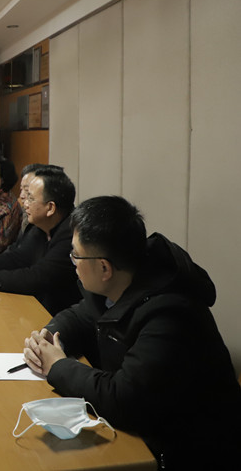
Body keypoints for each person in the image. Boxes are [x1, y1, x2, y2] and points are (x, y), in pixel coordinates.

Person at [22, 196, 241, 469]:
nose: (72, 262)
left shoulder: (170, 315)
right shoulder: (122, 277)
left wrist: (57, 366)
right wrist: (50, 336)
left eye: (75, 255)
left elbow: (124, 399)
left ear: (104, 267)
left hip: (189, 450)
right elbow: (81, 314)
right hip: (145, 428)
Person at [0, 166, 79, 315]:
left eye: (31, 198)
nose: (24, 202)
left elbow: (37, 277)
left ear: (50, 208)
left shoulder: (72, 235)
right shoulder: (42, 225)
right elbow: (19, 257)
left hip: (57, 315)